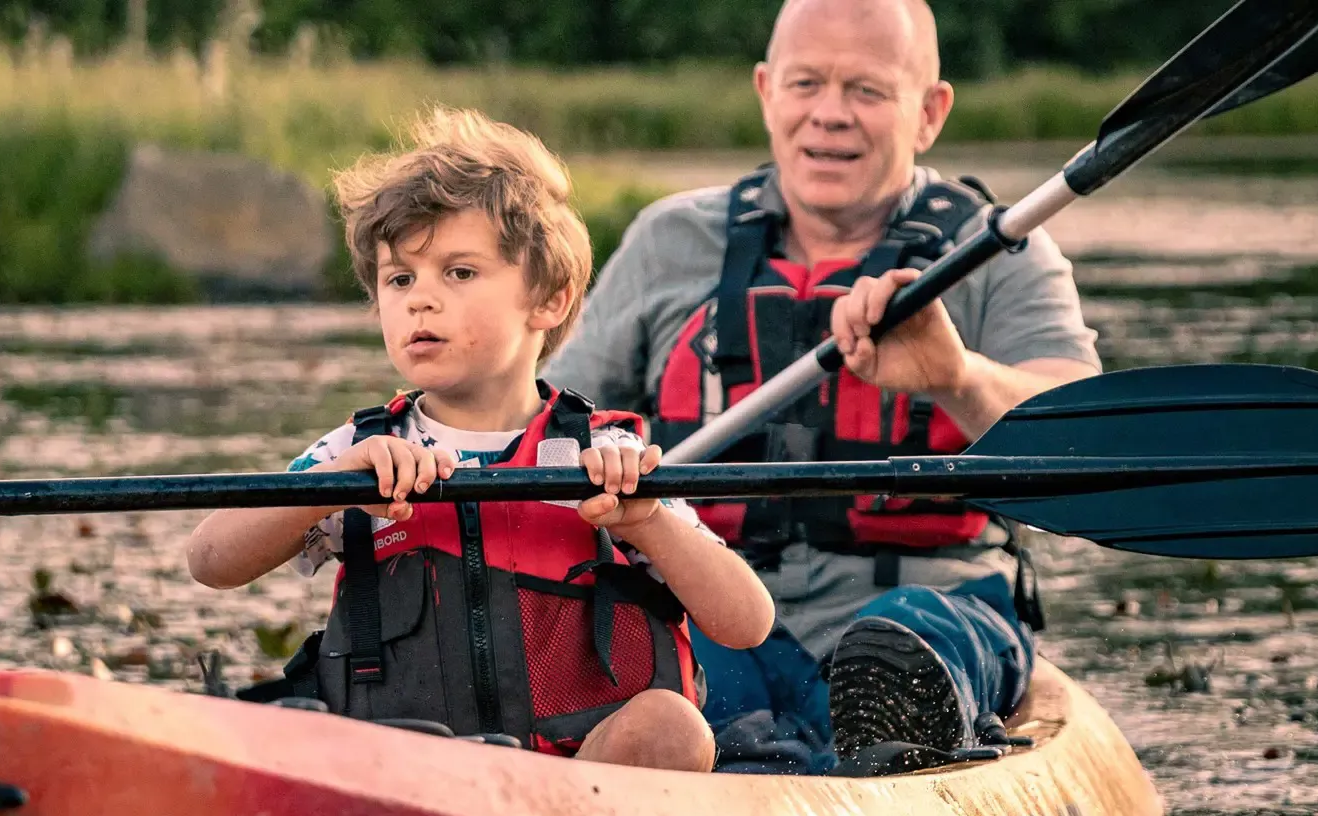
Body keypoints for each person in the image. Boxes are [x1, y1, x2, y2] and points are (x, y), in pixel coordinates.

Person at [545, 0, 1101, 774]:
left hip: (932, 604)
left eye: (866, 91)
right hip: (716, 606)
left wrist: (955, 375)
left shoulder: (1000, 251)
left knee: (900, 640)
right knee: (701, 693)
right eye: (807, 84)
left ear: (929, 112)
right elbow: (540, 427)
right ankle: (756, 766)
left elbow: (1082, 440)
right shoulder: (670, 241)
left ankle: (889, 727)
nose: (829, 115)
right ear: (768, 91)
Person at [187, 108, 775, 772]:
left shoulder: (606, 454)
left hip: (579, 792)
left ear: (548, 300)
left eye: (459, 273)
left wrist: (648, 524)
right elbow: (210, 560)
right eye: (399, 279)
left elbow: (746, 622)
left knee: (673, 727)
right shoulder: (358, 450)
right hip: (402, 782)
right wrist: (340, 481)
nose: (420, 301)